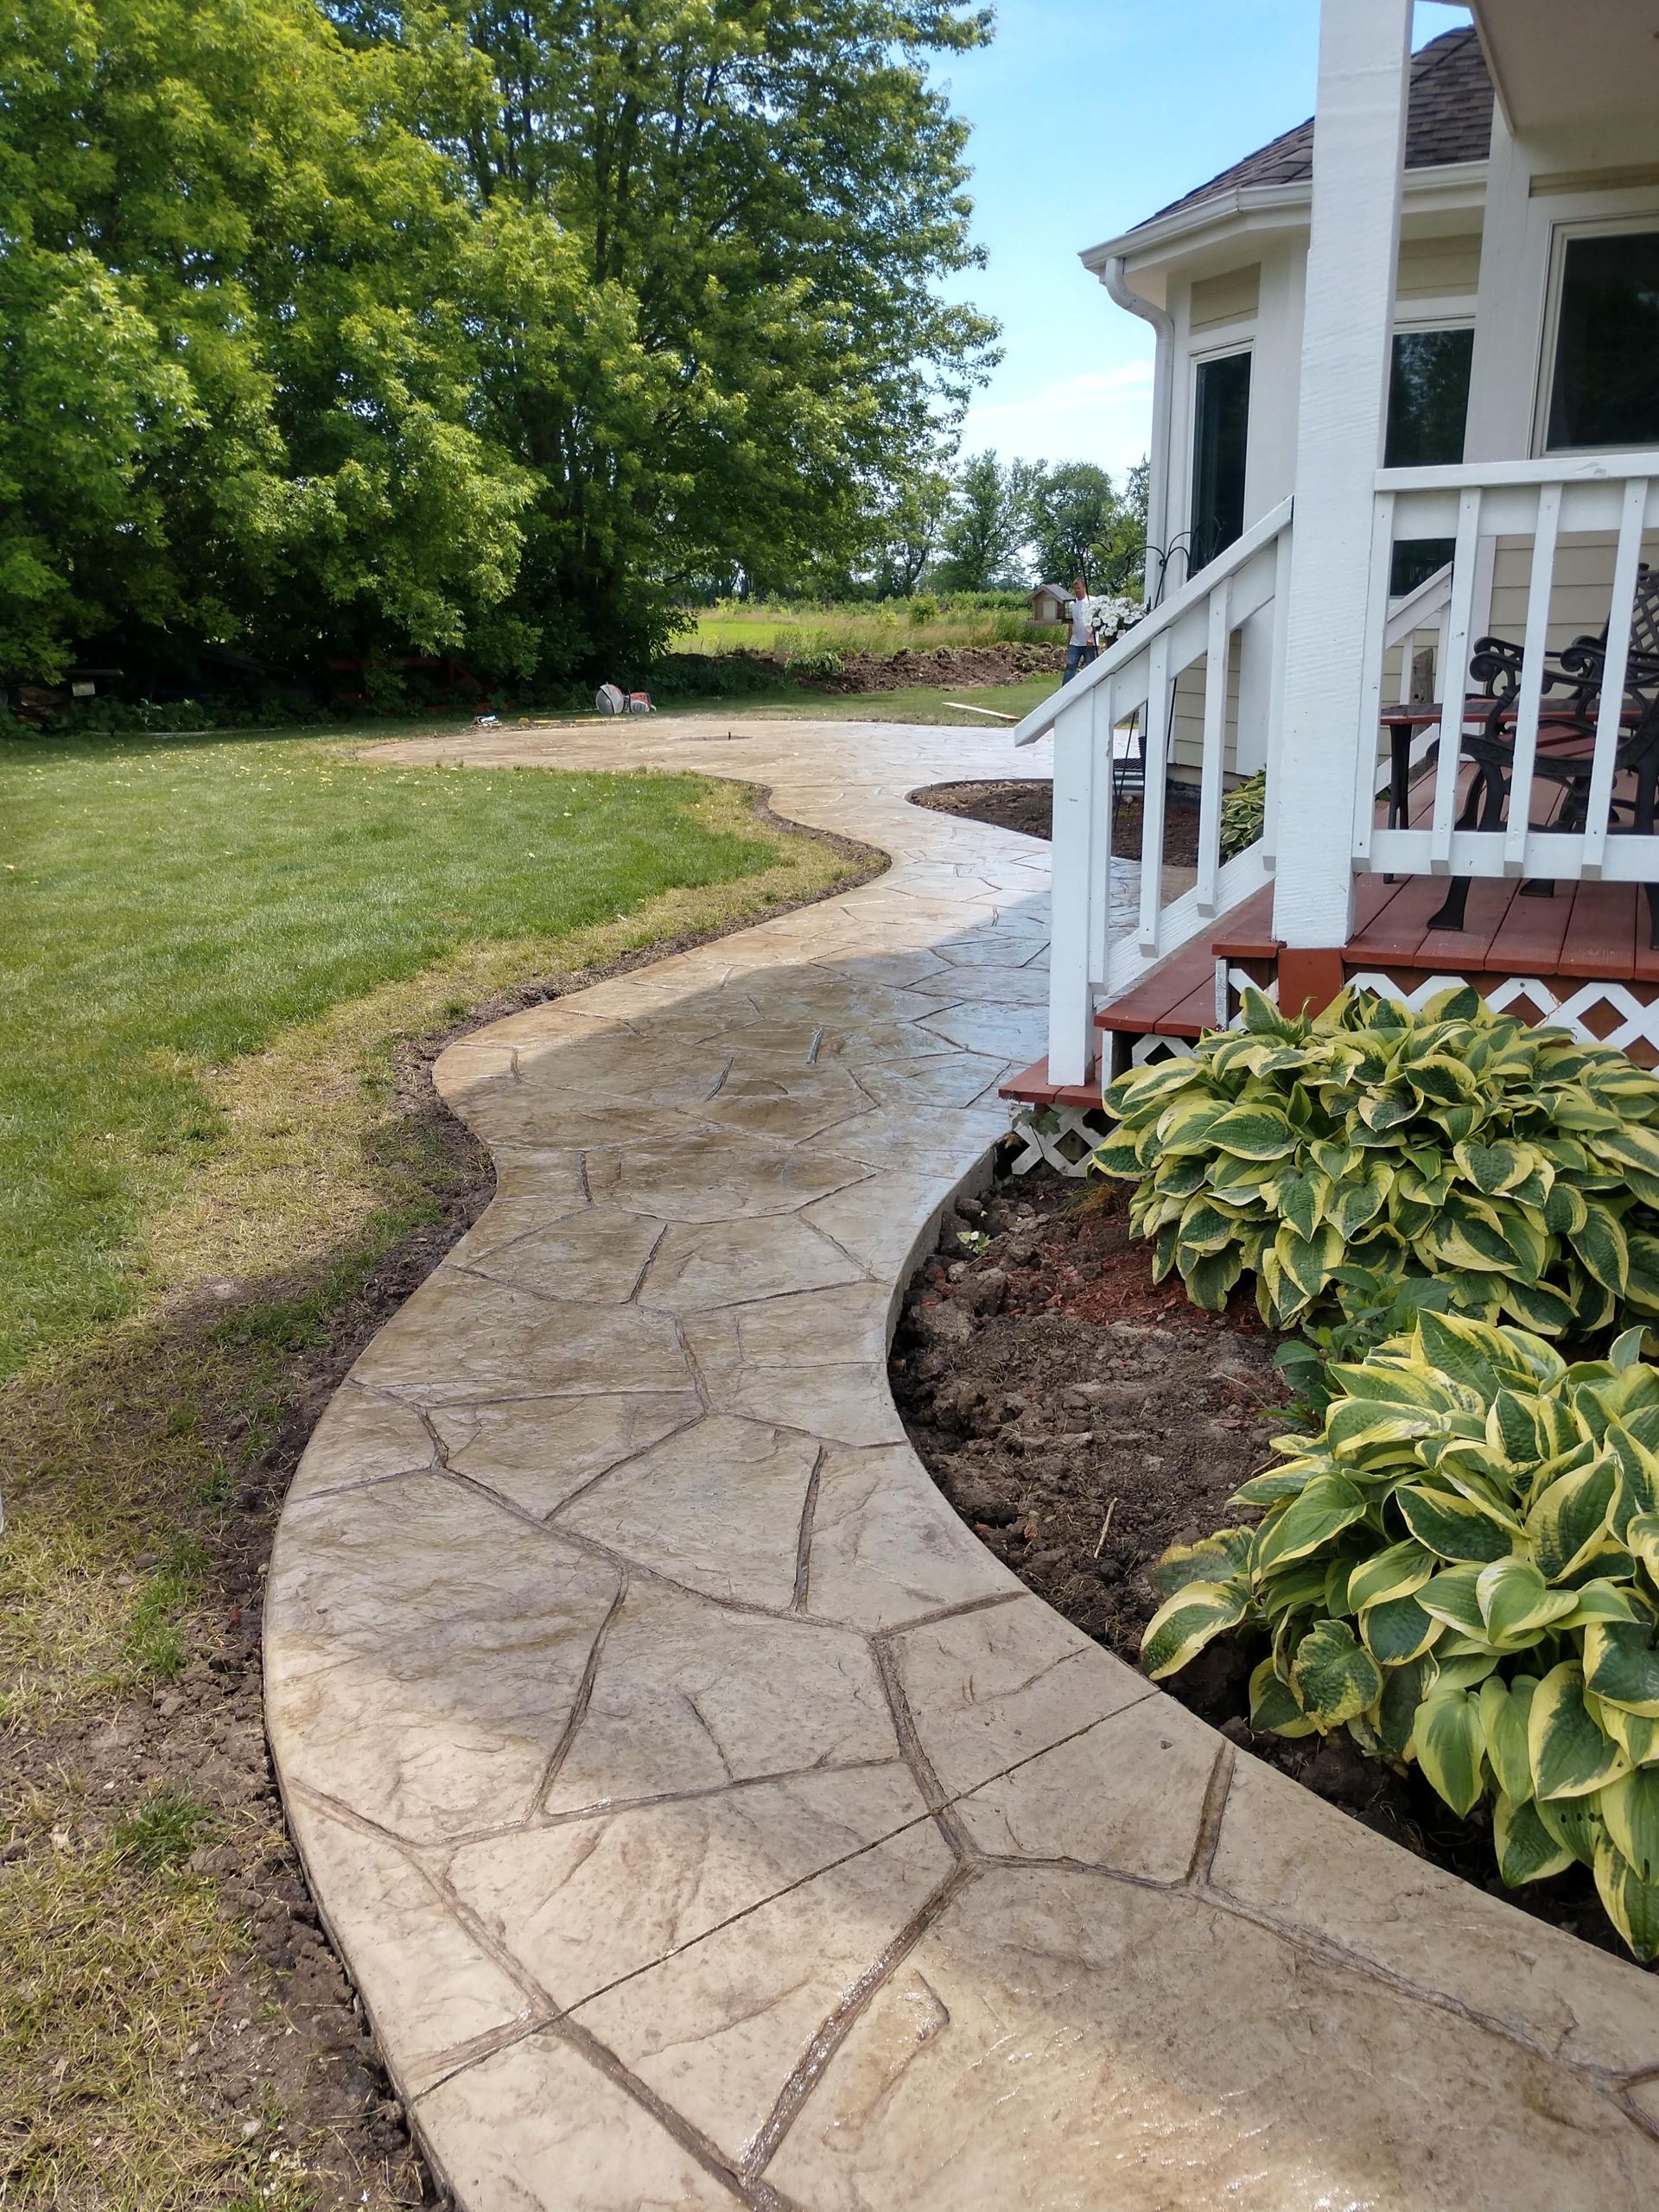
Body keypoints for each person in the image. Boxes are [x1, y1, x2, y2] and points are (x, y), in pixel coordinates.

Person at [1061, 575, 1106, 683]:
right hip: (1075, 642)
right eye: (1075, 589)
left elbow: (1098, 620)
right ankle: (1064, 691)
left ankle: (1093, 687)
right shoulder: (1072, 604)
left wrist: (1091, 636)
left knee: (1091, 666)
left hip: (1089, 642)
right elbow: (1071, 623)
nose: (1077, 591)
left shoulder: (1093, 601)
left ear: (1084, 588)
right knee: (1070, 666)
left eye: (1079, 588)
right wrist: (1069, 641)